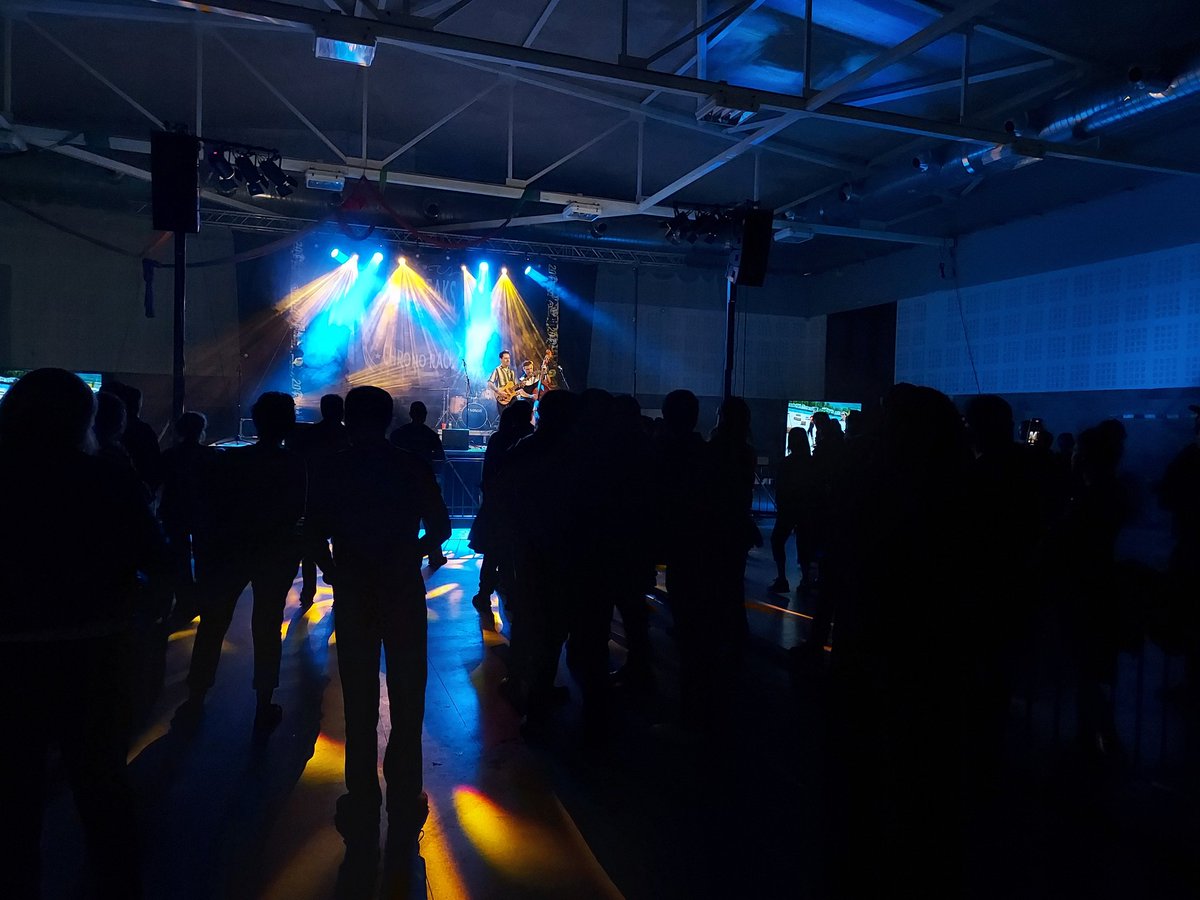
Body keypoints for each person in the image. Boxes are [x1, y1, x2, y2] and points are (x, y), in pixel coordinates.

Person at [0, 368, 169, 900]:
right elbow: (157, 561)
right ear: (85, 418)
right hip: (95, 653)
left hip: (8, 658)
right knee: (102, 789)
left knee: (12, 796)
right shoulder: (109, 479)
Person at [307, 385, 451, 858]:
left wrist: (333, 570)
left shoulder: (332, 468)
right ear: (390, 419)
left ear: (348, 418)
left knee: (359, 699)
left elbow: (311, 532)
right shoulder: (410, 465)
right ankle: (405, 797)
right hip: (402, 591)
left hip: (354, 593)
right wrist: (412, 552)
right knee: (408, 695)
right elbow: (443, 527)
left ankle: (362, 798)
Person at [181, 392, 307, 732]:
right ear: (289, 423)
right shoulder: (294, 464)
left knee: (213, 622)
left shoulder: (231, 461)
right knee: (267, 627)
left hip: (231, 551)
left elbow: (214, 507)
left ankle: (195, 697)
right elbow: (298, 510)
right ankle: (264, 703)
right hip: (275, 552)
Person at [158, 411, 218, 622]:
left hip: (174, 511)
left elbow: (158, 484)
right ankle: (203, 598)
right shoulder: (212, 455)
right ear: (202, 430)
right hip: (203, 511)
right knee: (204, 556)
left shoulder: (169, 455)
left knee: (180, 558)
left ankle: (185, 600)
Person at [290, 393, 348, 611]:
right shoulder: (347, 434)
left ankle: (308, 593)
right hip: (341, 499)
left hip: (315, 497)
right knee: (341, 547)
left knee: (310, 548)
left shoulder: (310, 434)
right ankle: (338, 592)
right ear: (341, 410)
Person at [391, 400, 449, 569]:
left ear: (410, 414)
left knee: (407, 523)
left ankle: (404, 556)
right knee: (433, 525)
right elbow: (440, 457)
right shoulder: (429, 435)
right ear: (424, 416)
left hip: (402, 484)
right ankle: (434, 557)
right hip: (425, 483)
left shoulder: (399, 434)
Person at [770, 426, 815, 594]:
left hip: (788, 509)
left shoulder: (786, 463)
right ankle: (805, 579)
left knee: (777, 541)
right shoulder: (811, 463)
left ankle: (782, 578)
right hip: (806, 509)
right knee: (804, 545)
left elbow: (781, 488)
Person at [487, 350, 517, 418]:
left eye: (509, 358)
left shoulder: (512, 371)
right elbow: (490, 383)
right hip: (501, 397)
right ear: (501, 359)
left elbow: (515, 386)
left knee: (516, 415)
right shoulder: (497, 370)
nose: (508, 360)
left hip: (511, 397)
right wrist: (498, 392)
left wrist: (521, 385)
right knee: (504, 418)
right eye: (505, 358)